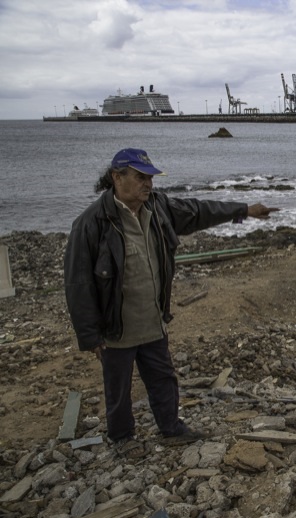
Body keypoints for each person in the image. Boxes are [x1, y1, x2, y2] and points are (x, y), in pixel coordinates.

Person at [64, 148, 279, 452]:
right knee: (118, 388)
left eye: (150, 177)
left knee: (164, 378)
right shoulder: (91, 223)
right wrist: (89, 335)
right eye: (140, 177)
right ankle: (122, 438)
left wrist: (243, 209)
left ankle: (171, 428)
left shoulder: (158, 208)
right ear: (116, 177)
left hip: (152, 321)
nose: (148, 184)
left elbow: (199, 211)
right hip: (115, 328)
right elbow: (77, 283)